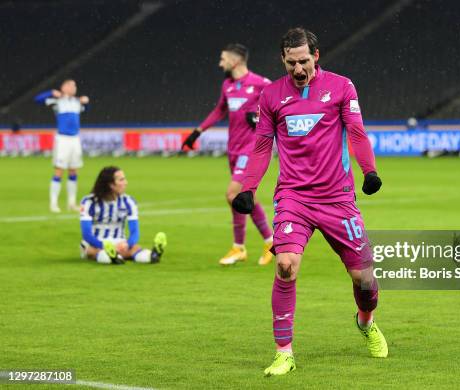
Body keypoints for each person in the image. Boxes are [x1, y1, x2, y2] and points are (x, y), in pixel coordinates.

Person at [231, 28, 387, 376]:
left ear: (316, 56)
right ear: (283, 60)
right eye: (291, 62)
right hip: (293, 198)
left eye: (304, 61)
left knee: (363, 278)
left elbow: (358, 133)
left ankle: (366, 322)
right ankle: (284, 352)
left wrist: (369, 171)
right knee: (285, 265)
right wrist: (248, 188)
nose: (298, 68)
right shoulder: (271, 95)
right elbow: (260, 147)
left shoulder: (342, 87)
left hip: (338, 199)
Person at [182, 43, 274, 266]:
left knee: (232, 194)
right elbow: (219, 111)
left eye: (223, 59)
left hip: (253, 149)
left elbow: (278, 107)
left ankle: (248, 245)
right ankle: (252, 246)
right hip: (233, 149)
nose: (220, 63)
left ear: (235, 61)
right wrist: (197, 132)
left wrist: (262, 118)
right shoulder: (228, 85)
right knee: (243, 198)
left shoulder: (262, 84)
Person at [79, 166, 167, 265]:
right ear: (111, 185)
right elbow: (86, 234)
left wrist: (127, 244)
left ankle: (153, 256)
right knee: (91, 251)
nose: (126, 182)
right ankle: (111, 255)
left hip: (120, 242)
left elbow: (135, 231)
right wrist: (102, 245)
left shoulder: (129, 201)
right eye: (121, 180)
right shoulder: (88, 202)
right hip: (96, 243)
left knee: (135, 248)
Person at [34, 79, 89, 213]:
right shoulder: (57, 101)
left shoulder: (77, 102)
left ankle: (71, 203)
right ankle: (53, 203)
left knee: (73, 171)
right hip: (63, 139)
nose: (73, 87)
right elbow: (37, 100)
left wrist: (86, 102)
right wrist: (51, 92)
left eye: (75, 85)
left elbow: (86, 108)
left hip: (75, 139)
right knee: (59, 170)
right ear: (63, 87)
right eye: (70, 85)